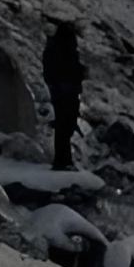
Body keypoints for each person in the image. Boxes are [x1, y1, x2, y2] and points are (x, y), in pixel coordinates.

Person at [42, 19, 83, 171]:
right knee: (65, 127)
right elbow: (70, 70)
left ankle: (63, 160)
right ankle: (62, 161)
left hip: (62, 91)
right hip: (67, 92)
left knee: (64, 126)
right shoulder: (64, 50)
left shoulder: (54, 48)